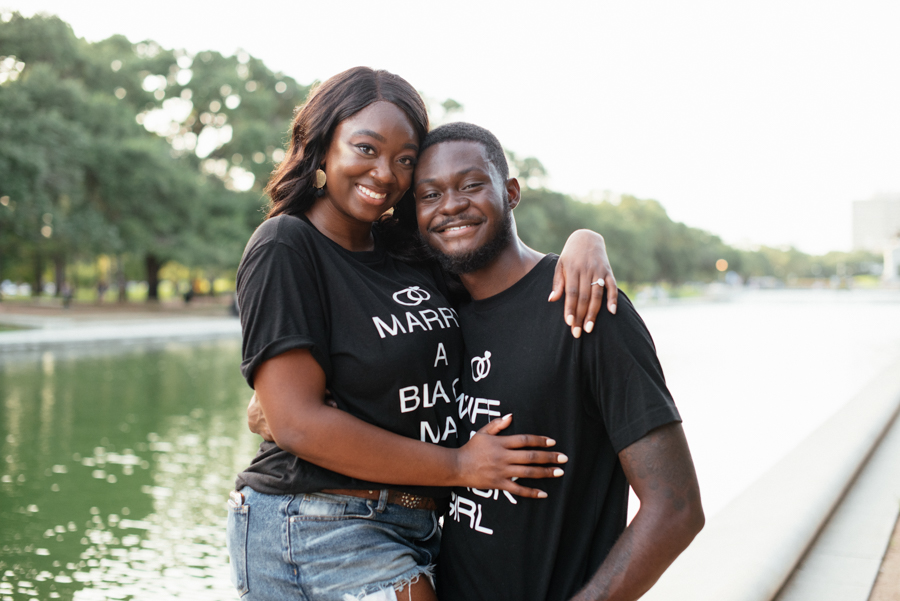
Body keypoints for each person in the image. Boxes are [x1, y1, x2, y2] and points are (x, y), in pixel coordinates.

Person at [228, 67, 618, 601]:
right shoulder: (286, 246)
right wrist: (462, 465)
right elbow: (295, 423)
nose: (385, 173)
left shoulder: (409, 254)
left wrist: (584, 242)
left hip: (421, 523)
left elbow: (500, 281)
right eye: (365, 148)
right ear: (322, 147)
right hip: (314, 515)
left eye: (405, 158)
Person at [408, 123, 705, 601]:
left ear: (510, 192)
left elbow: (676, 507)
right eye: (429, 194)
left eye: (470, 185)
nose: (451, 205)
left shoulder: (583, 306)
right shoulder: (438, 320)